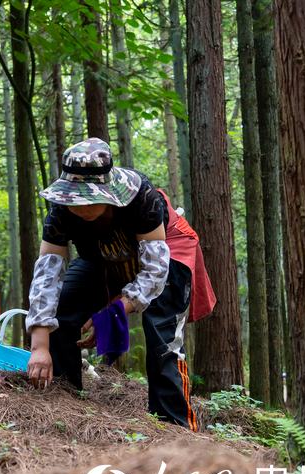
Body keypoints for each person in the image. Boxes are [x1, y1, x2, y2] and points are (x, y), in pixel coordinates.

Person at [25, 138, 216, 431]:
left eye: (90, 198)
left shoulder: (143, 198)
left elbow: (154, 272)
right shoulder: (59, 211)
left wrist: (116, 310)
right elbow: (47, 275)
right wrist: (39, 346)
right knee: (65, 302)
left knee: (160, 330)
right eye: (75, 198)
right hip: (101, 258)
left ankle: (174, 425)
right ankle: (63, 397)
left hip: (166, 250)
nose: (81, 205)